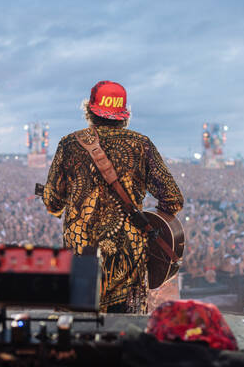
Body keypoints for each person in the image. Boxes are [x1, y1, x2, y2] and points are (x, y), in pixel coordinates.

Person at [41, 80, 184, 313]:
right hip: (128, 267)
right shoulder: (141, 145)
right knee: (125, 337)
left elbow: (52, 203)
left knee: (78, 336)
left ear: (89, 110)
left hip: (81, 263)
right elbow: (173, 199)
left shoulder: (69, 145)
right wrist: (143, 217)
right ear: (124, 114)